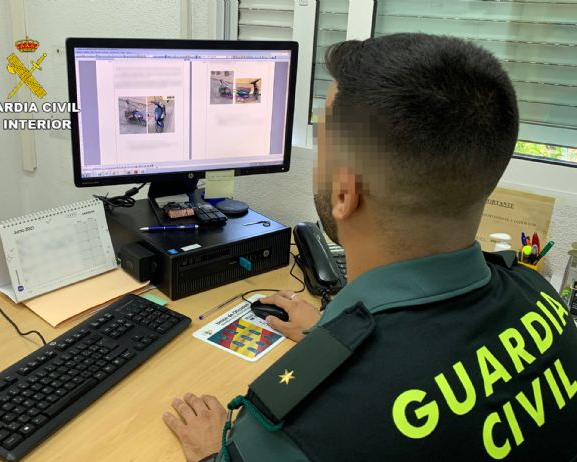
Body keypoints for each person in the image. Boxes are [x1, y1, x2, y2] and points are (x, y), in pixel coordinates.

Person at [161, 33, 577, 461]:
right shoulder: (543, 301)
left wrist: (212, 451)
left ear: (345, 193)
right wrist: (330, 336)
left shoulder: (302, 428)